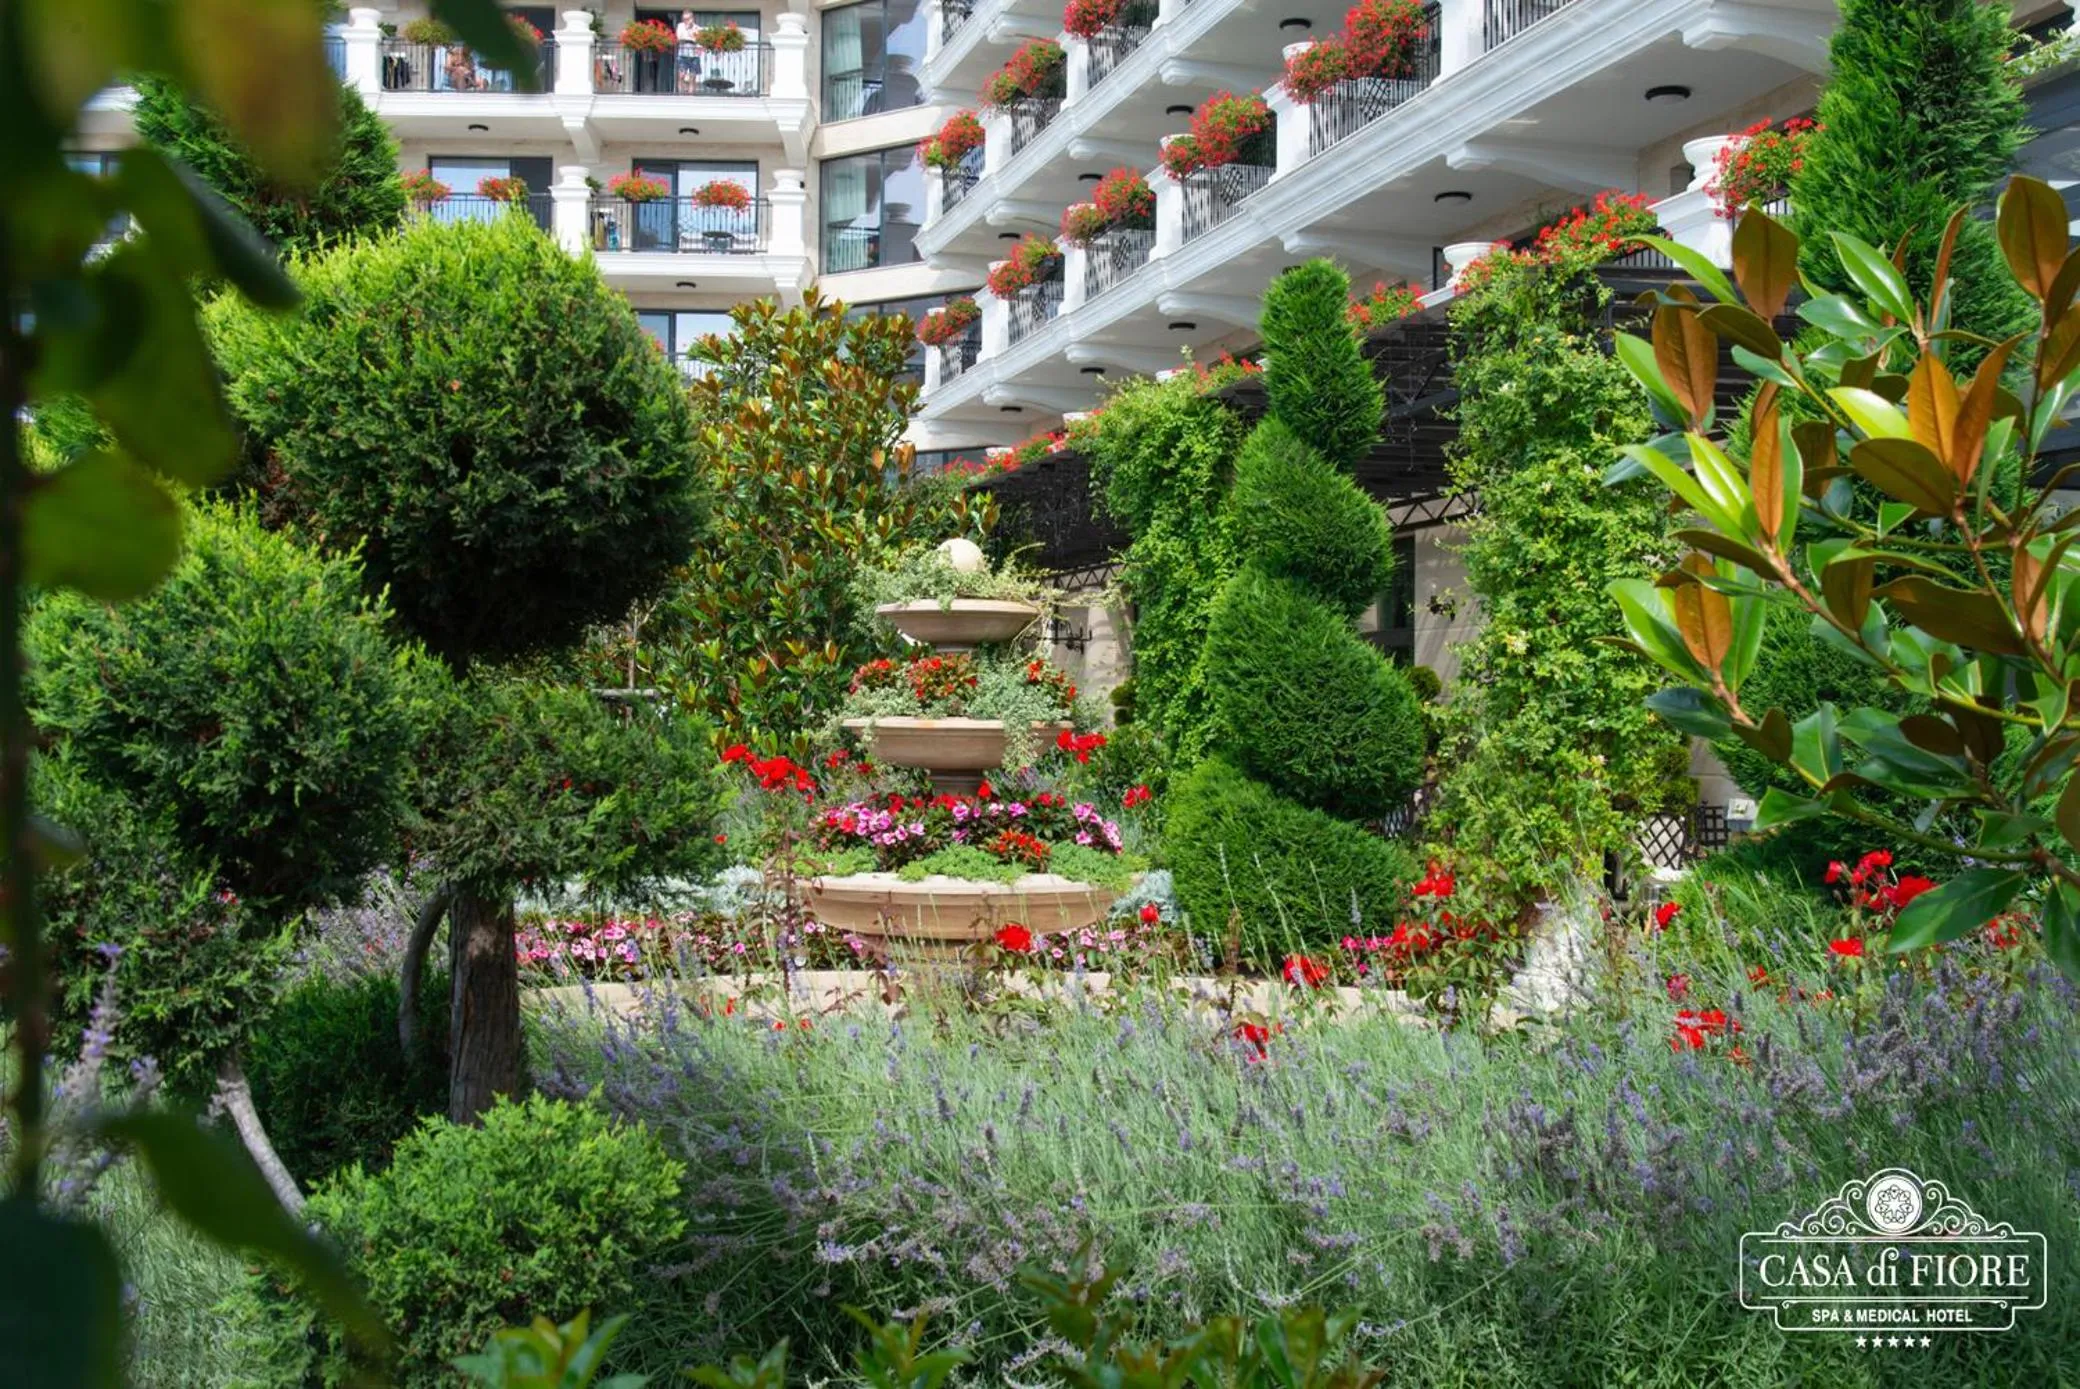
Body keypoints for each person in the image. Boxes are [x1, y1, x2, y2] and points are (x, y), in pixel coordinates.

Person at [675, 11, 700, 93]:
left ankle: (691, 95)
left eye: (687, 19)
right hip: (683, 54)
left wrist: (689, 35)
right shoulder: (680, 26)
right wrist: (687, 29)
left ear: (692, 18)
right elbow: (679, 37)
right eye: (684, 19)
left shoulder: (697, 28)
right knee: (681, 75)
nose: (686, 21)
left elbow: (698, 39)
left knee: (692, 77)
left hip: (694, 55)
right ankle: (680, 95)